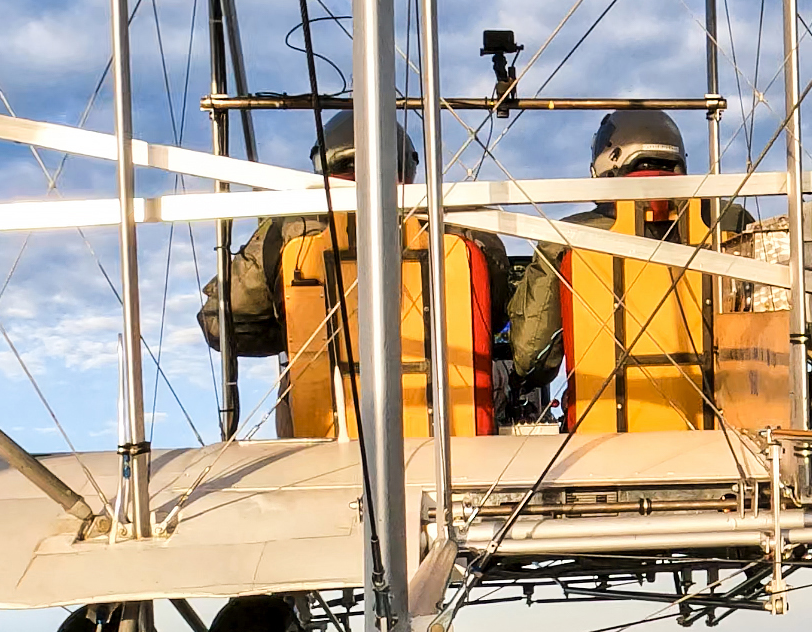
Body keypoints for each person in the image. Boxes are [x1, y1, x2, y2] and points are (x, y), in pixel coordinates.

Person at [201, 113, 511, 437]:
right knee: (498, 367)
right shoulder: (463, 222)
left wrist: (294, 330)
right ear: (406, 163)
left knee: (291, 378)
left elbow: (220, 324)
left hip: (323, 428)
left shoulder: (286, 231)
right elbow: (495, 316)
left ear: (325, 161)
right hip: (452, 428)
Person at [510, 110, 742, 431]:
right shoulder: (734, 225)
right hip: (731, 435)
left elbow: (532, 355)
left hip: (601, 439)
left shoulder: (565, 239)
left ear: (607, 162)